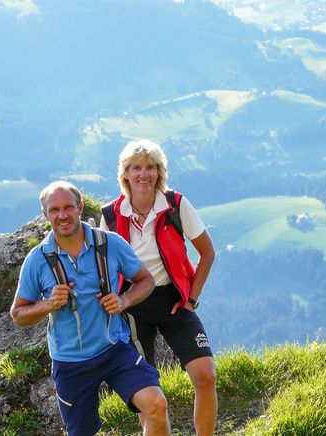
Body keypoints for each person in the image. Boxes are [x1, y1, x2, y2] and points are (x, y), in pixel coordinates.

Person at [11, 181, 171, 436]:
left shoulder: (110, 244)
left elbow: (146, 281)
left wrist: (124, 301)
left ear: (80, 207)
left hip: (114, 350)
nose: (62, 215)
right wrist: (47, 304)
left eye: (68, 207)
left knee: (156, 404)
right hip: (70, 362)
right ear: (45, 215)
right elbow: (18, 315)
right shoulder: (37, 260)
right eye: (54, 210)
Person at [100, 139, 218, 435]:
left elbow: (207, 252)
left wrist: (192, 298)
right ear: (125, 174)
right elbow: (102, 268)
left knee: (206, 376)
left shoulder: (176, 205)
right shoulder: (111, 216)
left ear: (159, 172)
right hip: (133, 307)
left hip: (174, 301)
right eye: (136, 167)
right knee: (147, 389)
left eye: (150, 167)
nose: (144, 174)